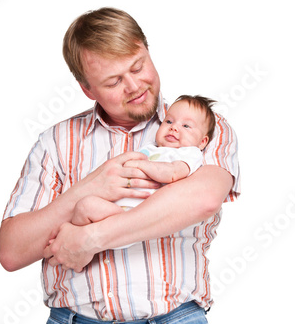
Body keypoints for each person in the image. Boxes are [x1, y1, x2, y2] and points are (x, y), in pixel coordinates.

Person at [0, 7, 240, 324]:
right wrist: (85, 191)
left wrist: (88, 238)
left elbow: (202, 197)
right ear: (86, 88)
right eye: (113, 81)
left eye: (138, 66)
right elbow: (12, 250)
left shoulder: (198, 126)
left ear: (147, 51)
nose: (135, 85)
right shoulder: (56, 142)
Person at [71, 94, 216, 227]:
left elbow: (172, 173)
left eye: (186, 126)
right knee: (82, 208)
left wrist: (141, 164)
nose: (174, 128)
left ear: (202, 142)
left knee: (86, 207)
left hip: (134, 219)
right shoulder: (150, 148)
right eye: (169, 121)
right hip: (116, 208)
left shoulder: (189, 153)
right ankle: (75, 246)